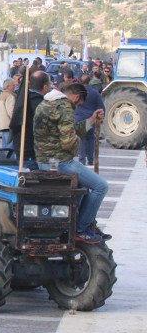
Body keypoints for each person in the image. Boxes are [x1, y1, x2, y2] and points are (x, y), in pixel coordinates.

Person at [34, 83, 108, 244]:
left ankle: (81, 224)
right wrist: (76, 147)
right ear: (75, 97)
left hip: (46, 161)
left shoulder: (46, 103)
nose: (79, 106)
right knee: (101, 186)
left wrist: (91, 120)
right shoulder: (65, 107)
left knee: (85, 188)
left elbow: (69, 130)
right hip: (60, 162)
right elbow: (69, 142)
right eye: (80, 103)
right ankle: (81, 229)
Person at [10, 70, 51, 163]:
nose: (51, 87)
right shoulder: (37, 102)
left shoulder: (24, 98)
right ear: (45, 87)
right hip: (30, 149)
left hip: (22, 146)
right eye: (50, 84)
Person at [76, 74, 105, 166]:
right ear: (89, 81)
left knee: (81, 138)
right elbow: (101, 106)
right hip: (91, 117)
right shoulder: (95, 92)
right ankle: (91, 159)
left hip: (79, 117)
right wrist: (101, 117)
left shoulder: (77, 92)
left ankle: (82, 160)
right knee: (90, 137)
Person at [0, 78, 16, 149]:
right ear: (8, 86)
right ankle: (8, 160)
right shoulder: (10, 96)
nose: (15, 86)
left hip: (3, 124)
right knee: (10, 147)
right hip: (9, 124)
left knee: (4, 147)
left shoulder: (1, 95)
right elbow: (11, 112)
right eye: (13, 85)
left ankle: (3, 160)